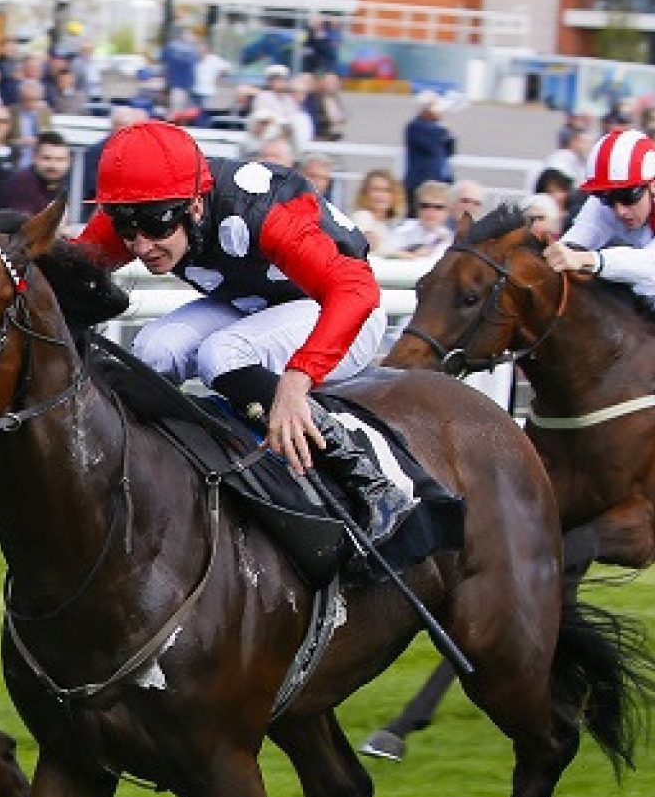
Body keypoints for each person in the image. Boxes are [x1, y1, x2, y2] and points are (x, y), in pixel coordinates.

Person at [73, 120, 413, 541]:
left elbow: (356, 291)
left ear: (195, 205)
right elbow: (67, 271)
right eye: (126, 227)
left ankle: (368, 480)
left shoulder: (265, 213)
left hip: (340, 315)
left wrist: (295, 381)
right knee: (152, 350)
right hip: (254, 308)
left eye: (156, 225)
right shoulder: (146, 204)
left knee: (222, 354)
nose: (141, 246)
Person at [541, 128, 655, 332]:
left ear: (653, 184)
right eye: (607, 199)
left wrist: (590, 260)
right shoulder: (618, 188)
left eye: (628, 198)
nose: (620, 211)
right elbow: (576, 241)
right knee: (641, 297)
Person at [0, 129, 72, 217]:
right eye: (46, 158)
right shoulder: (21, 183)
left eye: (60, 159)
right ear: (34, 158)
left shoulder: (59, 185)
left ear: (69, 162)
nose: (53, 165)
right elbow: (25, 227)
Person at [404, 91, 456, 209]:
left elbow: (450, 151)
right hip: (420, 183)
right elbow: (433, 149)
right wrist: (442, 130)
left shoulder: (438, 128)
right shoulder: (415, 127)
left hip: (441, 181)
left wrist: (447, 133)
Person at [381, 181, 455, 261]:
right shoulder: (403, 229)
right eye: (425, 206)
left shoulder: (451, 241)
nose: (430, 211)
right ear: (417, 208)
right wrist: (412, 256)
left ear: (448, 212)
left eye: (438, 207)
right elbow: (384, 252)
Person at [349, 167, 405, 255]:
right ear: (365, 193)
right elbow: (367, 246)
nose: (381, 195)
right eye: (375, 189)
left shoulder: (396, 223)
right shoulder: (362, 217)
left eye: (386, 190)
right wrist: (406, 255)